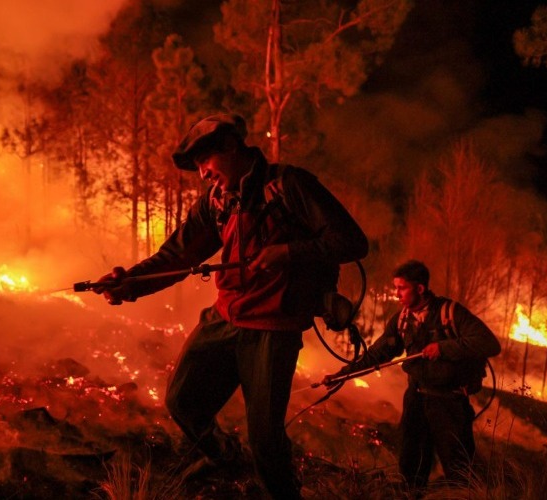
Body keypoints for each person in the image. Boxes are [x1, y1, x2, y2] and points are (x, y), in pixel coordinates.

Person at [95, 113, 368, 499]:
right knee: (182, 401)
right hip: (224, 318)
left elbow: (352, 242)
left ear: (231, 146)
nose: (203, 173)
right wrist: (129, 284)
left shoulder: (289, 185)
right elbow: (177, 256)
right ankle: (226, 458)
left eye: (206, 161)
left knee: (266, 439)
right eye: (197, 167)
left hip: (273, 329)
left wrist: (288, 252)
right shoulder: (216, 203)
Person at [323, 260, 501, 491]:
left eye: (402, 288)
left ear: (420, 288)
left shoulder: (450, 313)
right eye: (395, 287)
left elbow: (489, 344)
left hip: (449, 403)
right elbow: (377, 354)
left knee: (459, 469)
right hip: (416, 398)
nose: (396, 294)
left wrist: (443, 348)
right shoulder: (401, 320)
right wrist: (341, 375)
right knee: (411, 466)